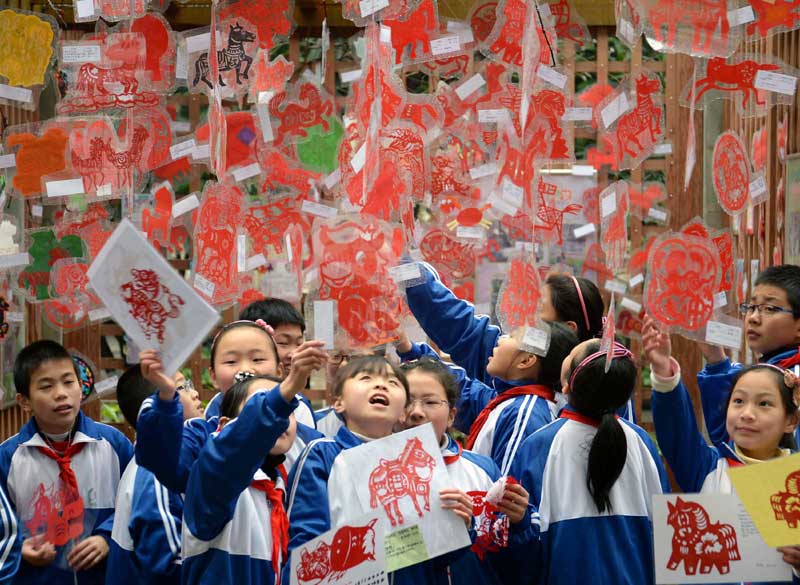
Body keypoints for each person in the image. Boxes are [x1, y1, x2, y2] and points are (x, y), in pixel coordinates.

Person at [285, 356, 475, 584]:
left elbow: (436, 561)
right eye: (366, 378)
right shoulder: (322, 454)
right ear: (338, 403)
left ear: (402, 411)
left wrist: (458, 525)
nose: (381, 385)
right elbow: (306, 545)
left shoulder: (419, 465)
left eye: (393, 382)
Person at [646, 314, 800, 582]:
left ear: (791, 421)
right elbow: (677, 431)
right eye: (738, 401)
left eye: (764, 404)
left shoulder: (793, 484)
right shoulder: (709, 467)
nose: (747, 414)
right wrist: (663, 373)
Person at [509, 339, 669, 585]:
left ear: (567, 386)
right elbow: (666, 535)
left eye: (571, 353)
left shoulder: (540, 446)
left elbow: (526, 547)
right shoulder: (642, 443)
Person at [182, 343, 323, 585]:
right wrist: (289, 386)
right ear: (225, 425)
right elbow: (227, 453)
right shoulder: (214, 478)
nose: (279, 417)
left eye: (287, 410)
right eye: (263, 406)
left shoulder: (284, 486)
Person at [0, 340, 133, 585]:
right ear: (24, 401)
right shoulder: (7, 458)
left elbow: (137, 503)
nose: (61, 393)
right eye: (46, 386)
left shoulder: (114, 445)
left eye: (68, 382)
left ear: (81, 388)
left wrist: (107, 537)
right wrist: (19, 548)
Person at [135, 321, 324, 493]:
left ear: (279, 370)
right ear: (213, 376)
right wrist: (166, 398)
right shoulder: (200, 436)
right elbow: (164, 464)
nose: (245, 370)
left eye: (258, 359)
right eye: (231, 361)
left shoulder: (308, 442)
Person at [399, 357, 529, 584]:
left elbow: (510, 560)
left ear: (451, 416)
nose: (417, 412)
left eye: (430, 402)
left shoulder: (482, 469)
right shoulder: (371, 474)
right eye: (406, 402)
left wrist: (520, 522)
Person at [396, 323, 578, 475]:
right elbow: (461, 388)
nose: (500, 339)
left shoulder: (523, 414)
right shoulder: (511, 400)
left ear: (525, 361)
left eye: (512, 337)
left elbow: (504, 491)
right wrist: (408, 348)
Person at [107, 366, 203, 585]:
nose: (195, 393)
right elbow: (165, 563)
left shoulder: (155, 459)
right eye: (182, 388)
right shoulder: (156, 472)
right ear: (155, 406)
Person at [698, 265, 800, 446]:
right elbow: (732, 444)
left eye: (769, 308)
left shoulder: (794, 380)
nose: (753, 317)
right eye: (751, 307)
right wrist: (716, 361)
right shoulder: (769, 370)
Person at [239, 298, 316, 428]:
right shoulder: (228, 402)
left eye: (299, 343)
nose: (294, 354)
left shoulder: (301, 405)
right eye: (283, 343)